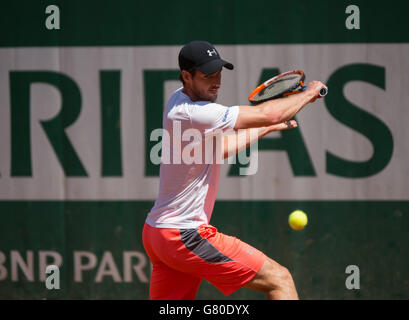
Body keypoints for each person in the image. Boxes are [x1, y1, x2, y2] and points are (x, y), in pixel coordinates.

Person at [142, 40, 326, 300]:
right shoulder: (194, 113)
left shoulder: (177, 100)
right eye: (208, 76)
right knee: (280, 280)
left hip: (157, 234)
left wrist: (264, 129)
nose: (216, 82)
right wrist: (309, 93)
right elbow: (270, 113)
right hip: (184, 235)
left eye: (218, 74)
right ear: (187, 76)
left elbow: (220, 149)